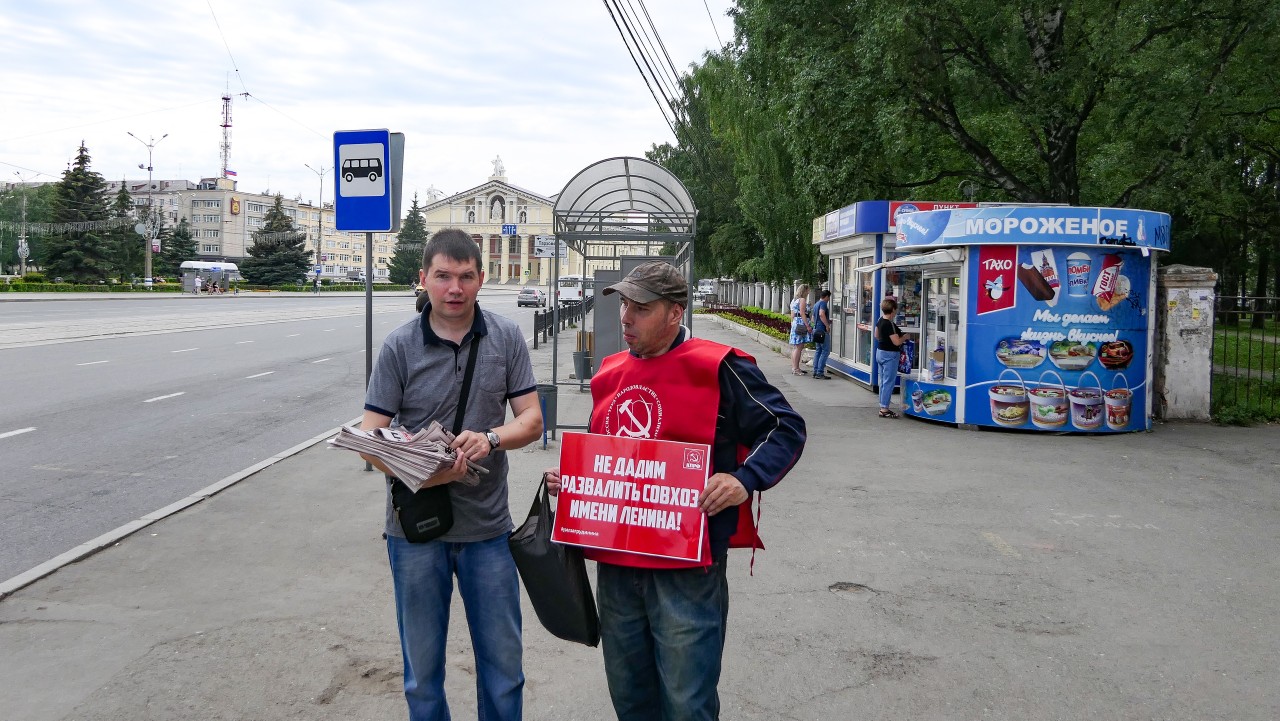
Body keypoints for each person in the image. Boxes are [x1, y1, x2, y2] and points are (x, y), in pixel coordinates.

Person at [544, 261, 806, 721]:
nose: (625, 316)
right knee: (630, 697)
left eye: (640, 307)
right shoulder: (609, 373)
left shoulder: (719, 367)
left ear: (674, 313)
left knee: (688, 704)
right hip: (617, 567)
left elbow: (785, 427)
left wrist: (744, 480)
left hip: (688, 568)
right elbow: (606, 453)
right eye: (624, 303)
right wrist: (574, 480)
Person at [359, 228, 543, 721]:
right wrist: (422, 470)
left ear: (481, 279)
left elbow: (532, 420)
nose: (454, 288)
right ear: (423, 279)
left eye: (465, 277)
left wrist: (491, 438)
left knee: (504, 670)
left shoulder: (505, 337)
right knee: (422, 675)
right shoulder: (399, 346)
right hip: (416, 532)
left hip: (488, 533)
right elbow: (369, 438)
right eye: (443, 276)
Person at [874, 297, 910, 418]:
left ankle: (882, 405)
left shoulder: (880, 320)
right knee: (889, 382)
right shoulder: (889, 324)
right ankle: (884, 408)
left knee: (883, 381)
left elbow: (876, 335)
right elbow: (896, 342)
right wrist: (905, 337)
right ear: (893, 310)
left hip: (880, 352)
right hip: (890, 355)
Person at [789, 283, 812, 375]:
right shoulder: (802, 300)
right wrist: (807, 326)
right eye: (808, 290)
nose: (809, 291)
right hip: (801, 323)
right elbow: (802, 313)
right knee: (799, 347)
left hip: (795, 323)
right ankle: (796, 369)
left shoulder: (794, 301)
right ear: (805, 291)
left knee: (796, 347)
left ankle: (795, 367)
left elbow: (792, 315)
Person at [811, 289, 832, 379]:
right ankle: (820, 372)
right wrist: (827, 325)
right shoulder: (823, 303)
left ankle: (815, 371)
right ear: (826, 296)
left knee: (818, 350)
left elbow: (813, 318)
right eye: (829, 297)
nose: (829, 299)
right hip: (822, 330)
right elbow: (821, 314)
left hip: (816, 329)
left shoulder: (816, 304)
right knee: (825, 351)